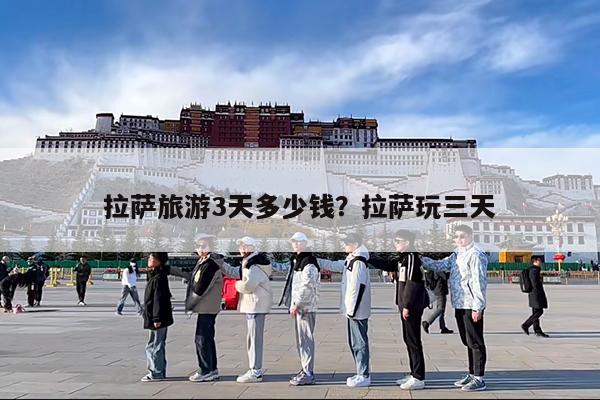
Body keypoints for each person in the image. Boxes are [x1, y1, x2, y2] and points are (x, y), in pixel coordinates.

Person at [421, 224, 488, 392]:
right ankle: (472, 373)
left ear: (471, 236)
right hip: (459, 303)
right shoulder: (457, 253)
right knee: (467, 340)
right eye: (456, 236)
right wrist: (420, 258)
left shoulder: (476, 254)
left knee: (475, 341)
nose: (459, 239)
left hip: (471, 304)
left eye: (462, 236)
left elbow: (479, 281)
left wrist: (478, 307)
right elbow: (441, 265)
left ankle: (479, 378)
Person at [369, 230, 429, 390]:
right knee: (408, 340)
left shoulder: (411, 258)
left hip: (412, 307)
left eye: (398, 241)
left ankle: (419, 377)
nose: (395, 243)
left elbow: (413, 283)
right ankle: (414, 373)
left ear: (407, 242)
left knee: (414, 341)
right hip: (406, 306)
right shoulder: (404, 257)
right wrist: (370, 257)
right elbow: (389, 265)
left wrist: (407, 305)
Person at [218, 236, 273, 383]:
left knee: (254, 338)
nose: (242, 249)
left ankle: (255, 371)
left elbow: (248, 285)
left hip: (256, 304)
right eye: (241, 246)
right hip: (254, 304)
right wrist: (222, 264)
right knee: (253, 337)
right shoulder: (250, 261)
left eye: (245, 246)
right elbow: (236, 272)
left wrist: (236, 285)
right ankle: (254, 368)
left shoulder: (254, 264)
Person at [170, 235, 224, 383]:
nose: (200, 249)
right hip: (206, 306)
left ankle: (206, 370)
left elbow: (201, 287)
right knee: (207, 338)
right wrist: (175, 271)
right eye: (198, 246)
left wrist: (190, 304)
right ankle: (212, 369)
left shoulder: (211, 264)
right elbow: (194, 277)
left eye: (203, 246)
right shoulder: (203, 261)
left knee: (201, 339)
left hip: (207, 306)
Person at [278, 232, 320, 386]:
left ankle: (308, 372)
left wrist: (297, 304)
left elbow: (307, 285)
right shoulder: (297, 260)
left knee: (306, 339)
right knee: (301, 340)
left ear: (305, 243)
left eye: (298, 242)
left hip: (306, 307)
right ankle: (305, 369)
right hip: (300, 306)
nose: (295, 244)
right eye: (293, 242)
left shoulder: (308, 262)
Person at [141, 252, 173, 382]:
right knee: (155, 343)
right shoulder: (155, 275)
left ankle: (156, 372)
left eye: (152, 257)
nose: (149, 259)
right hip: (155, 315)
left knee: (155, 345)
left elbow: (159, 299)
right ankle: (159, 371)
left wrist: (156, 318)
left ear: (159, 261)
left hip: (158, 317)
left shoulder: (159, 278)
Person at [521, 256, 549, 338]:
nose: (541, 262)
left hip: (533, 293)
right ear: (535, 261)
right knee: (539, 312)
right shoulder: (535, 270)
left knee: (535, 312)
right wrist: (539, 292)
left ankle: (537, 330)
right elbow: (535, 283)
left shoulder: (532, 269)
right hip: (536, 294)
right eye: (539, 260)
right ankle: (526, 325)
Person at [422, 270, 454, 335]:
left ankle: (443, 327)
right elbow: (444, 276)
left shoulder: (435, 267)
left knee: (441, 309)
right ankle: (427, 322)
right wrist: (449, 272)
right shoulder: (438, 268)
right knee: (441, 308)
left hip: (438, 289)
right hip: (440, 289)